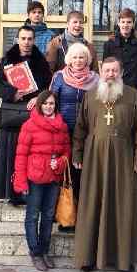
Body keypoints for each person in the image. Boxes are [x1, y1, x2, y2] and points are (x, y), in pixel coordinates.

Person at [72, 57, 137, 272]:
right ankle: (88, 258)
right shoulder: (90, 96)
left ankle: (125, 261)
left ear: (121, 72)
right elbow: (80, 128)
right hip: (94, 159)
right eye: (107, 70)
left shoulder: (133, 96)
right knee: (92, 204)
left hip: (123, 159)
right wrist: (77, 153)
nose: (110, 74)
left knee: (123, 206)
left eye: (115, 70)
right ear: (101, 71)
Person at [0, 25, 52, 206]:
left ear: (34, 40)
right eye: (23, 38)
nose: (26, 42)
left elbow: (48, 85)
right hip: (11, 116)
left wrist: (38, 98)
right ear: (17, 39)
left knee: (32, 156)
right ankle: (12, 193)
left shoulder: (41, 61)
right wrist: (12, 93)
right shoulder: (7, 59)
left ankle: (30, 193)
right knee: (11, 155)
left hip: (31, 116)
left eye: (29, 39)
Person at [12, 90, 71, 272]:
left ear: (55, 105)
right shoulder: (29, 125)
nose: (48, 106)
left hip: (53, 177)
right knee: (32, 216)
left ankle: (44, 251)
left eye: (51, 103)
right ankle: (35, 252)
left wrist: (60, 162)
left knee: (48, 215)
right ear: (39, 105)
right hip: (35, 177)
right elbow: (21, 155)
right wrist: (21, 181)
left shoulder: (62, 126)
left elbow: (66, 151)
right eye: (45, 103)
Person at [50, 42, 99, 232]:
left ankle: (79, 216)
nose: (78, 60)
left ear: (88, 60)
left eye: (82, 57)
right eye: (75, 57)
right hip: (63, 132)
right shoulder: (59, 77)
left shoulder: (96, 79)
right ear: (69, 59)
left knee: (80, 174)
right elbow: (51, 103)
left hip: (86, 135)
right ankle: (62, 215)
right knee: (63, 173)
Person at [102, 8, 137, 95]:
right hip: (114, 87)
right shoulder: (109, 44)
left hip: (134, 88)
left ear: (133, 24)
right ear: (118, 23)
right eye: (123, 22)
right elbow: (106, 67)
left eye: (129, 22)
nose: (125, 25)